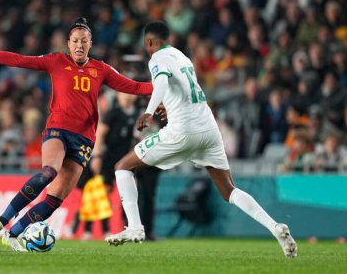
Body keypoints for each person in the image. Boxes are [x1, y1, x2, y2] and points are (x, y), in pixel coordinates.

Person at [105, 21, 298, 259]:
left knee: (122, 167)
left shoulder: (156, 59)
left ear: (149, 42)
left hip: (182, 131)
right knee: (229, 190)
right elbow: (184, 91)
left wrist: (150, 111)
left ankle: (134, 227)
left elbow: (163, 83)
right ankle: (275, 227)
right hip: (208, 128)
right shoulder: (183, 58)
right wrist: (168, 105)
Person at [0, 17, 154, 252]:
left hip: (84, 140)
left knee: (54, 199)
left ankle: (12, 234)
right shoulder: (56, 61)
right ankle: (1, 220)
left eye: (84, 41)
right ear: (68, 43)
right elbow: (18, 59)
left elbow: (133, 86)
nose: (79, 45)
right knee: (48, 172)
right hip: (58, 130)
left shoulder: (101, 69)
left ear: (90, 44)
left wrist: (166, 86)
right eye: (75, 41)